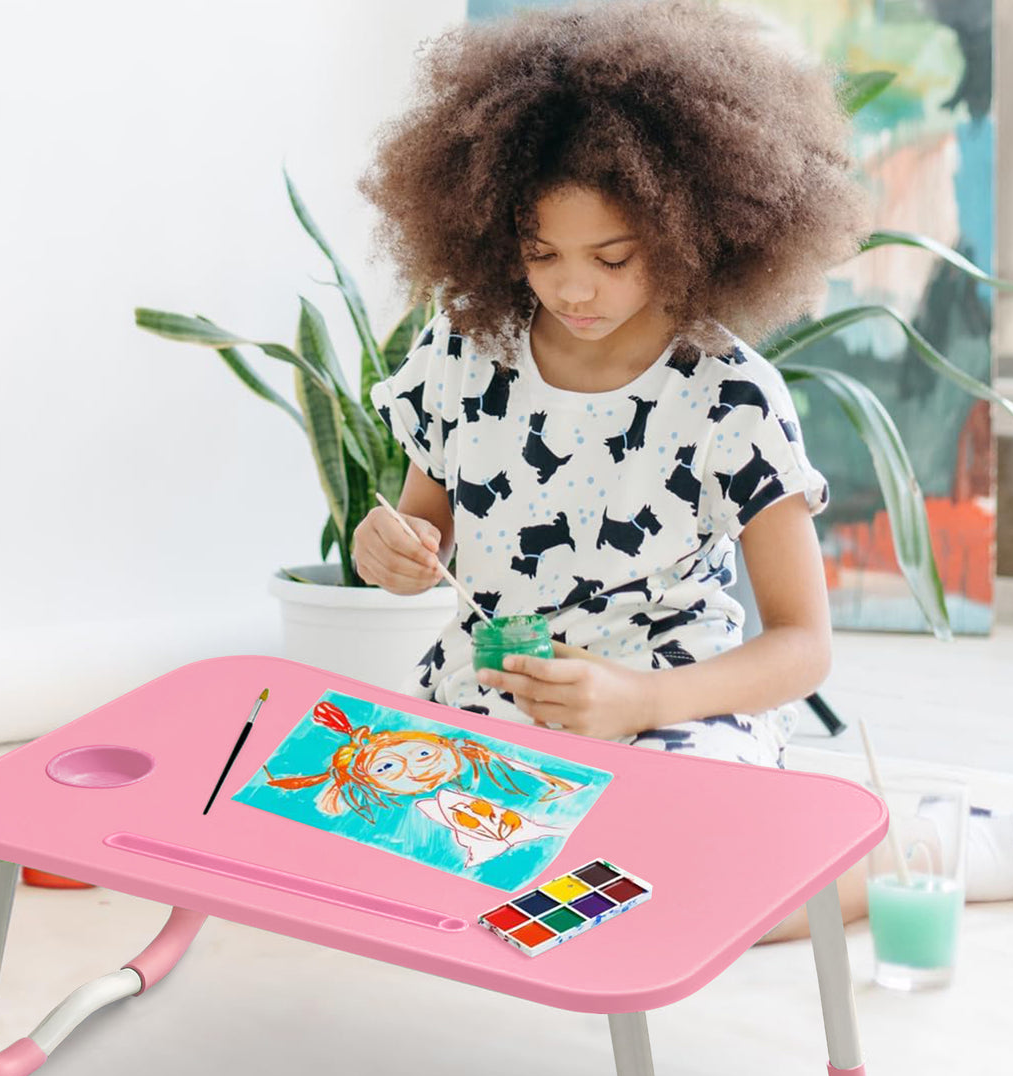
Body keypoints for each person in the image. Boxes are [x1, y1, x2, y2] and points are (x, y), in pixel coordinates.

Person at [350, 0, 873, 939]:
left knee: (655, 886)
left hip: (677, 706)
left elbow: (805, 645)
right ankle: (564, 902)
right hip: (493, 695)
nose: (573, 287)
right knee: (366, 841)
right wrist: (386, 546)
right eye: (541, 252)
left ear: (689, 235)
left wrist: (641, 700)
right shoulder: (468, 353)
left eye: (612, 256)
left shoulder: (729, 396)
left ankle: (943, 862)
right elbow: (425, 525)